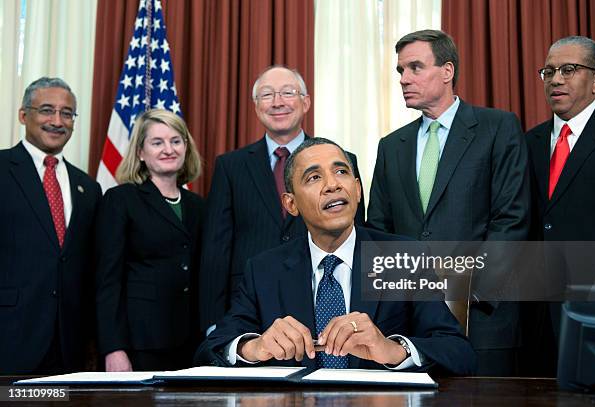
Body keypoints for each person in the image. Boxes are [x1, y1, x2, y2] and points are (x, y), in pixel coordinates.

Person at [195, 137, 476, 375]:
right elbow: (210, 350)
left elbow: (459, 352)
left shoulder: (405, 258)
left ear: (357, 188)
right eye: (314, 177)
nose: (332, 185)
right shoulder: (264, 269)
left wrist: (393, 350)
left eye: (341, 172)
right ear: (291, 204)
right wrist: (254, 347)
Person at [367, 30, 530, 375]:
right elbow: (379, 230)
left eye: (414, 67)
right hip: (411, 326)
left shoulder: (498, 127)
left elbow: (511, 219)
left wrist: (469, 293)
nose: (403, 79)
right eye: (400, 71)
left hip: (484, 317)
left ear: (447, 71)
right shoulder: (391, 145)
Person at [200, 66, 365, 332]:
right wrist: (213, 323)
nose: (277, 102)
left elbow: (356, 238)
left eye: (288, 92)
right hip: (251, 308)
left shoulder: (343, 161)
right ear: (256, 107)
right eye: (267, 95)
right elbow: (216, 250)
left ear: (306, 102)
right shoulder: (231, 166)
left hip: (324, 299)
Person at [0, 77, 102, 374]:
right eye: (46, 110)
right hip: (10, 336)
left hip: (69, 343)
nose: (57, 121)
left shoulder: (88, 187)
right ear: (23, 115)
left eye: (67, 113)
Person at [523, 36, 595, 376]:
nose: (556, 79)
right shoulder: (525, 141)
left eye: (569, 70)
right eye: (548, 71)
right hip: (534, 313)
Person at [96, 109, 205, 371]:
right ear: (141, 153)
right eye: (157, 142)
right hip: (139, 343)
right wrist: (114, 348)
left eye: (176, 141)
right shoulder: (121, 200)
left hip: (191, 342)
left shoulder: (199, 205)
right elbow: (107, 281)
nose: (168, 149)